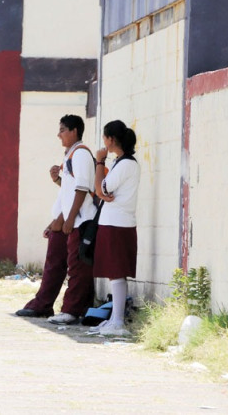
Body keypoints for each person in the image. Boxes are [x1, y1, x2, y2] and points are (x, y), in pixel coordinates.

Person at [15, 114, 97, 325]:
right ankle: (43, 305)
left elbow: (83, 189)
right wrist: (58, 182)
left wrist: (69, 219)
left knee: (77, 268)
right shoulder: (69, 155)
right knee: (55, 263)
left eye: (62, 130)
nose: (58, 134)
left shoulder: (81, 154)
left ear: (74, 131)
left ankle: (72, 309)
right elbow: (69, 191)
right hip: (67, 219)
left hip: (80, 221)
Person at [91, 120, 140, 337]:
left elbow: (102, 188)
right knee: (113, 273)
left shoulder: (127, 164)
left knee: (117, 273)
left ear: (111, 139)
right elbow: (101, 192)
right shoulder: (121, 162)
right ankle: (113, 319)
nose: (103, 142)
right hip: (112, 222)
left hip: (118, 224)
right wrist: (102, 192)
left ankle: (118, 321)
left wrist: (99, 162)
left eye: (104, 137)